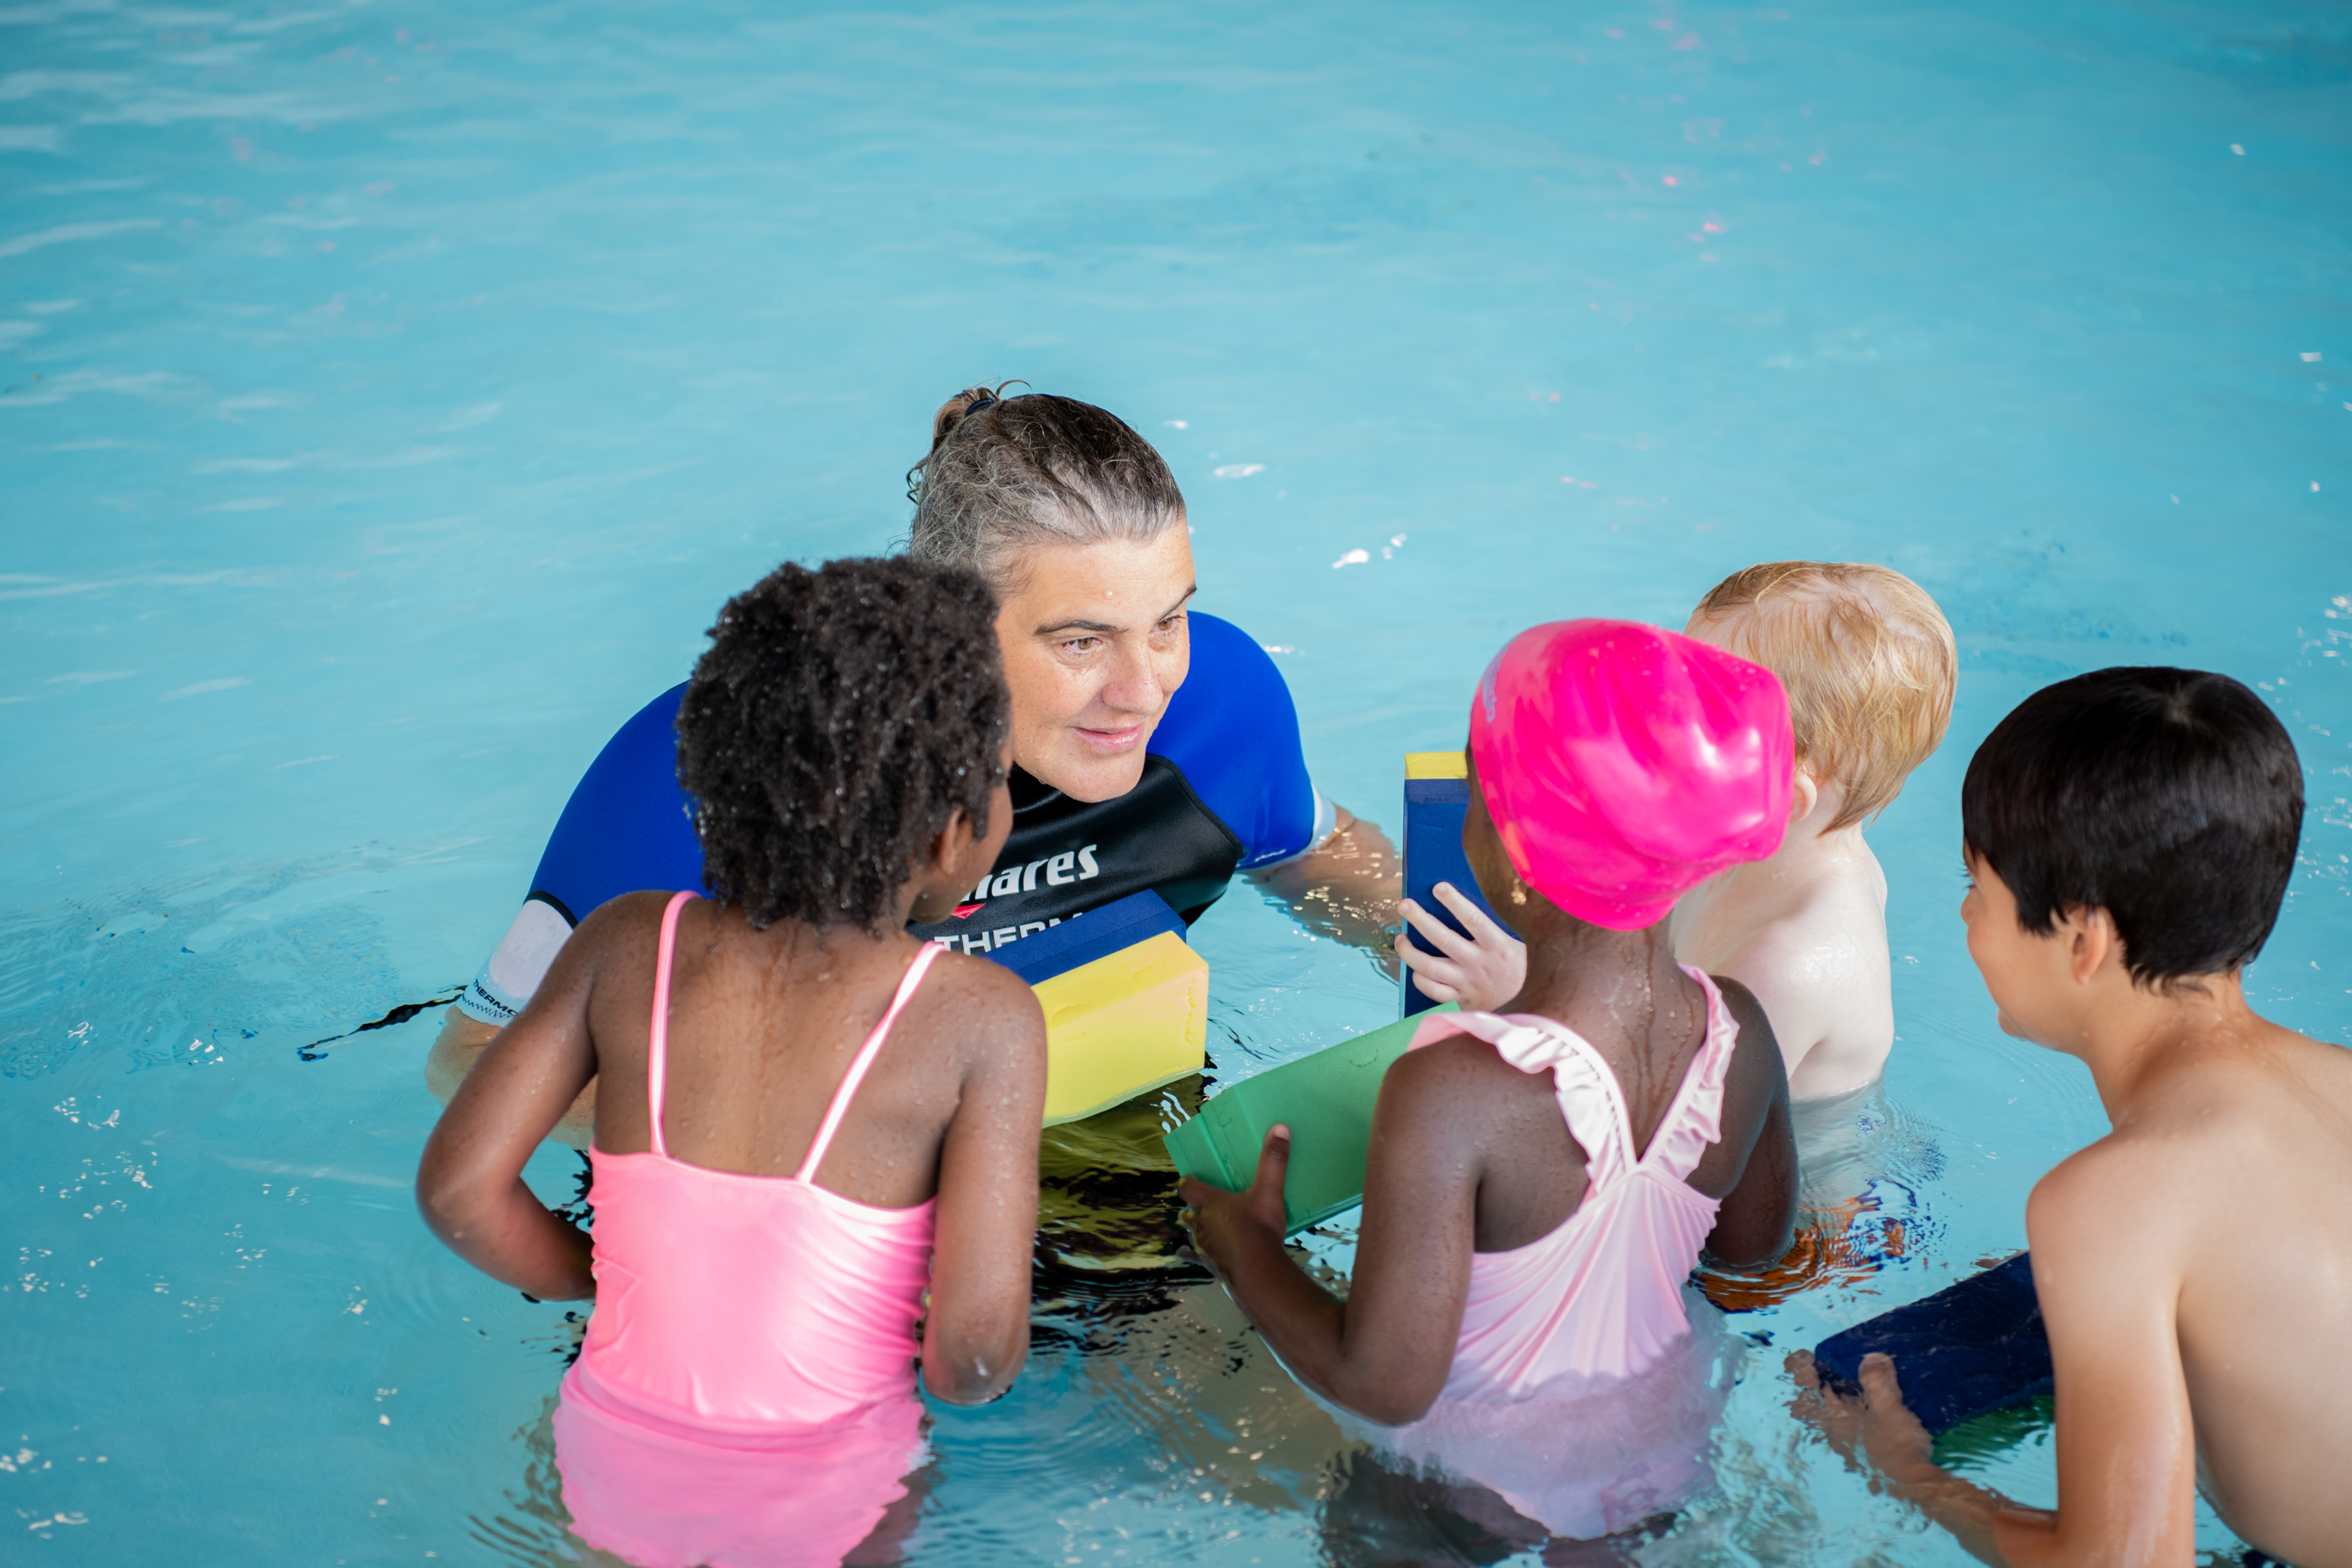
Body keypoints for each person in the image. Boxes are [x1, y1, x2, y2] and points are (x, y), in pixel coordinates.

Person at [428, 386, 1399, 1147]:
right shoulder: (713, 769)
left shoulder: (1222, 703)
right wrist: (784, 1137)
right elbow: (472, 1058)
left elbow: (1320, 856)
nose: (1144, 689)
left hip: (1107, 1157)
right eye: (1079, 642)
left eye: (1167, 619)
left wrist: (1464, 964)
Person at [415, 558, 1047, 1568]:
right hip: (832, 1483)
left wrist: (599, 1279)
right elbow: (972, 1359)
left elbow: (456, 1188)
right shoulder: (982, 1017)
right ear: (949, 832)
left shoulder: (624, 943)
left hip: (610, 1452)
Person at [1183, 620, 1800, 1544]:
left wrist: (1245, 1246)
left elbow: (1382, 1379)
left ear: (1508, 842)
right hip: (1659, 1438)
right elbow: (1751, 1253)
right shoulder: (1739, 1030)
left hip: (1460, 1478)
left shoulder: (1453, 1087)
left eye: (1473, 777)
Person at [1790, 667, 2352, 1568]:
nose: (1966, 916)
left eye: (1979, 888)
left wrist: (1908, 1473)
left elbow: (2122, 1564)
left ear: (2082, 942)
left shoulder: (2109, 1205)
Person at [1399, 562, 1955, 1102]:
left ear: (1785, 798)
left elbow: (1668, 1125)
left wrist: (1533, 998)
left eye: (1702, 709)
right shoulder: (1759, 849)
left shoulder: (1790, 963)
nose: (1661, 709)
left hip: (1805, 1180)